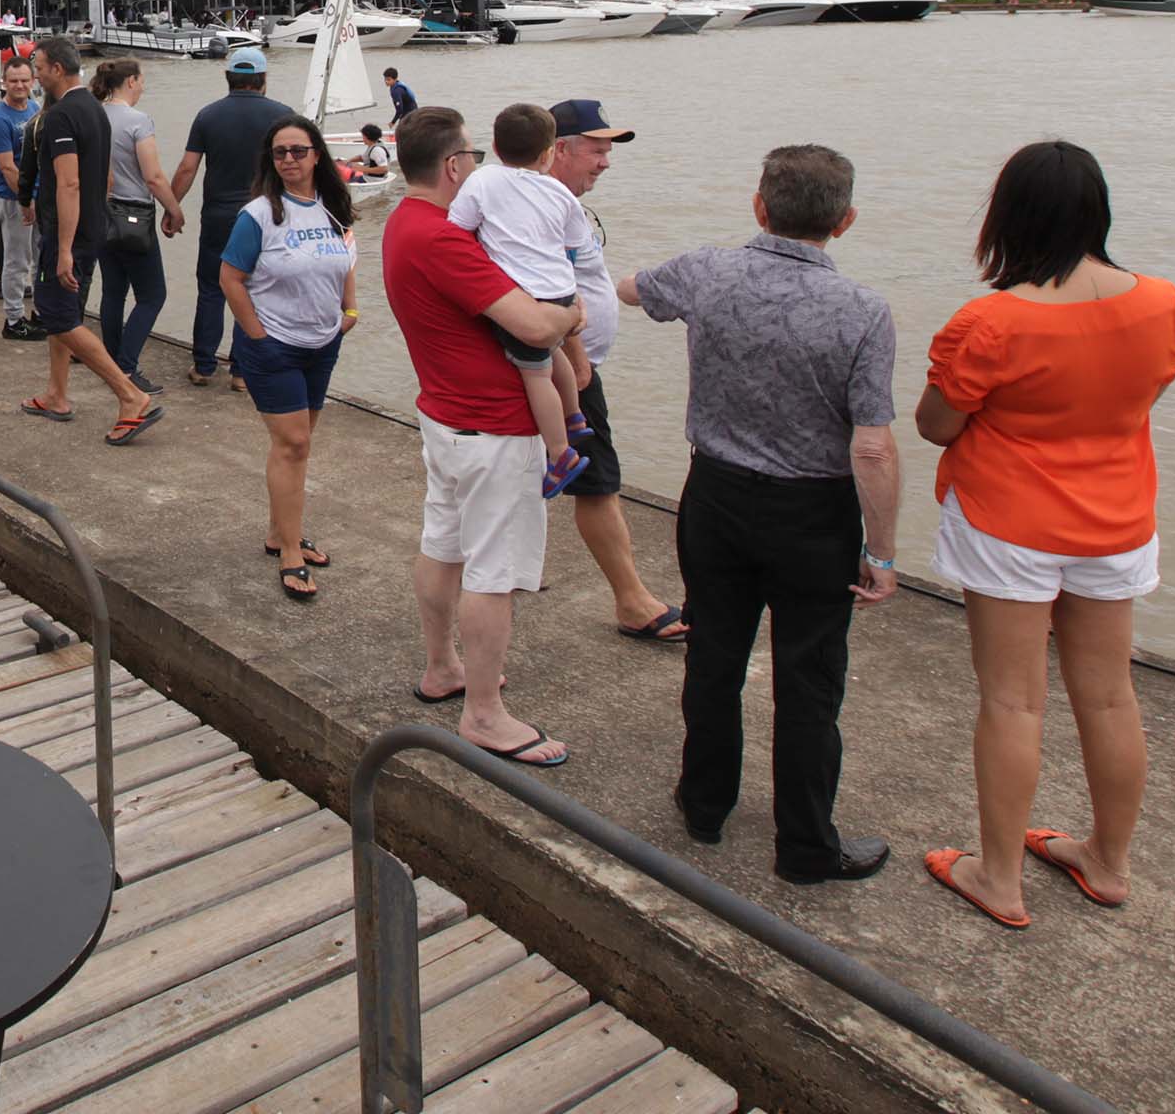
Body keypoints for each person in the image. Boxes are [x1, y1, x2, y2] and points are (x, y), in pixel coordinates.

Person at [914, 142, 1175, 929]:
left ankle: (997, 878)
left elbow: (938, 426)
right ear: (1098, 212)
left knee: (1012, 702)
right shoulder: (1163, 302)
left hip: (1009, 522)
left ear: (1009, 218)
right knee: (1109, 697)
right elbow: (1145, 395)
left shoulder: (993, 320)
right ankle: (1108, 861)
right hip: (1117, 519)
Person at [617, 144, 901, 885]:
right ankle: (806, 845)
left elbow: (627, 291)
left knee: (715, 655)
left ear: (759, 205)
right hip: (813, 511)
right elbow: (871, 447)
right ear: (845, 221)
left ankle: (705, 803)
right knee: (808, 680)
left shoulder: (707, 271)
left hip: (715, 495)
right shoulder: (864, 311)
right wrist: (884, 549)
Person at [384, 109, 585, 763]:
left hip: (446, 418)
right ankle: (484, 715)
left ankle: (443, 666)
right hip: (494, 428)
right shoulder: (444, 239)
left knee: (442, 546)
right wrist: (576, 307)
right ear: (452, 166)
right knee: (491, 574)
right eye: (472, 156)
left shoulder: (401, 223)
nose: (477, 167)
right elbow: (535, 326)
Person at [542, 100, 685, 643]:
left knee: (593, 481)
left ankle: (630, 597)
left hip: (574, 368)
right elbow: (544, 289)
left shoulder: (559, 201)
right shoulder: (543, 206)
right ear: (560, 149)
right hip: (564, 372)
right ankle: (632, 600)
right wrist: (576, 359)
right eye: (596, 150)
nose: (606, 162)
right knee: (597, 483)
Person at [217, 112, 359, 598]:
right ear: (270, 161)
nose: (290, 159)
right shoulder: (258, 215)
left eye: (298, 150)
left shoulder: (333, 207)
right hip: (273, 346)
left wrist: (350, 309)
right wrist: (255, 334)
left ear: (317, 155)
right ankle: (291, 551)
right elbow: (230, 279)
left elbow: (346, 261)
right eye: (280, 153)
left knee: (300, 444)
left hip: (322, 344)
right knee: (293, 444)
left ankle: (281, 532)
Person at [448, 102, 597, 492]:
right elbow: (573, 247)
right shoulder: (561, 194)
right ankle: (575, 414)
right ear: (549, 153)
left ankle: (560, 453)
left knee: (536, 376)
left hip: (526, 297)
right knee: (557, 349)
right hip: (561, 291)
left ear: (495, 148)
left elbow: (457, 228)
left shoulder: (483, 181)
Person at [20, 38, 159, 444]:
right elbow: (108, 178)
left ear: (58, 70)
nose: (37, 75)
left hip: (70, 233)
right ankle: (57, 394)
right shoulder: (96, 112)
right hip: (93, 227)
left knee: (57, 316)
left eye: (40, 67)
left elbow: (69, 182)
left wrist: (63, 248)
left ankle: (129, 395)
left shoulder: (62, 116)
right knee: (63, 314)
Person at [170, 51, 299, 390]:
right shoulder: (283, 118)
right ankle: (242, 372)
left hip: (217, 216)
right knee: (254, 292)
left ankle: (203, 366)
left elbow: (187, 168)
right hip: (264, 218)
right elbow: (296, 166)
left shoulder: (208, 115)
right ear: (264, 79)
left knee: (211, 289)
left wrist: (172, 207)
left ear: (227, 78)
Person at [91, 59, 182, 393]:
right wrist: (174, 209)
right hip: (134, 216)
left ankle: (111, 362)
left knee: (113, 291)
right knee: (152, 294)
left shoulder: (94, 115)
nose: (143, 87)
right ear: (130, 81)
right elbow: (154, 177)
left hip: (100, 213)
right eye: (142, 81)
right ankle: (127, 368)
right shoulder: (138, 121)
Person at [0, 54, 43, 339]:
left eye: (24, 80)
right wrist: (25, 201)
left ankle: (40, 311)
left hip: (37, 195)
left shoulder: (34, 107)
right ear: (3, 83)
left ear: (32, 81)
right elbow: (7, 167)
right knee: (17, 260)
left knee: (40, 256)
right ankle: (13, 319)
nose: (19, 85)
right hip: (12, 199)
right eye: (13, 81)